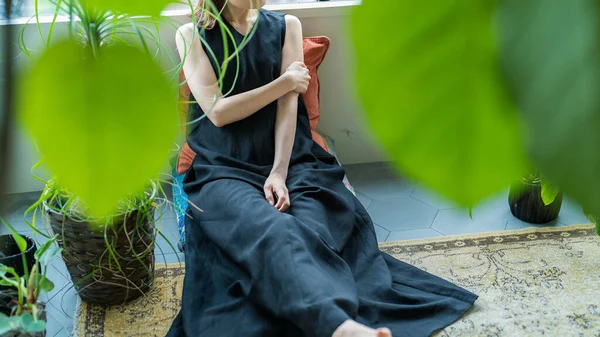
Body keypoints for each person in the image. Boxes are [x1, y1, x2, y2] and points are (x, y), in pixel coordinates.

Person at [167, 1, 477, 336]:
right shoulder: (191, 34)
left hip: (293, 161)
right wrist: (285, 82)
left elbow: (289, 108)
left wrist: (279, 172)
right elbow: (218, 112)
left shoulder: (287, 25)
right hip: (223, 168)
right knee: (275, 230)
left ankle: (332, 322)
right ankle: (338, 325)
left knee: (309, 228)